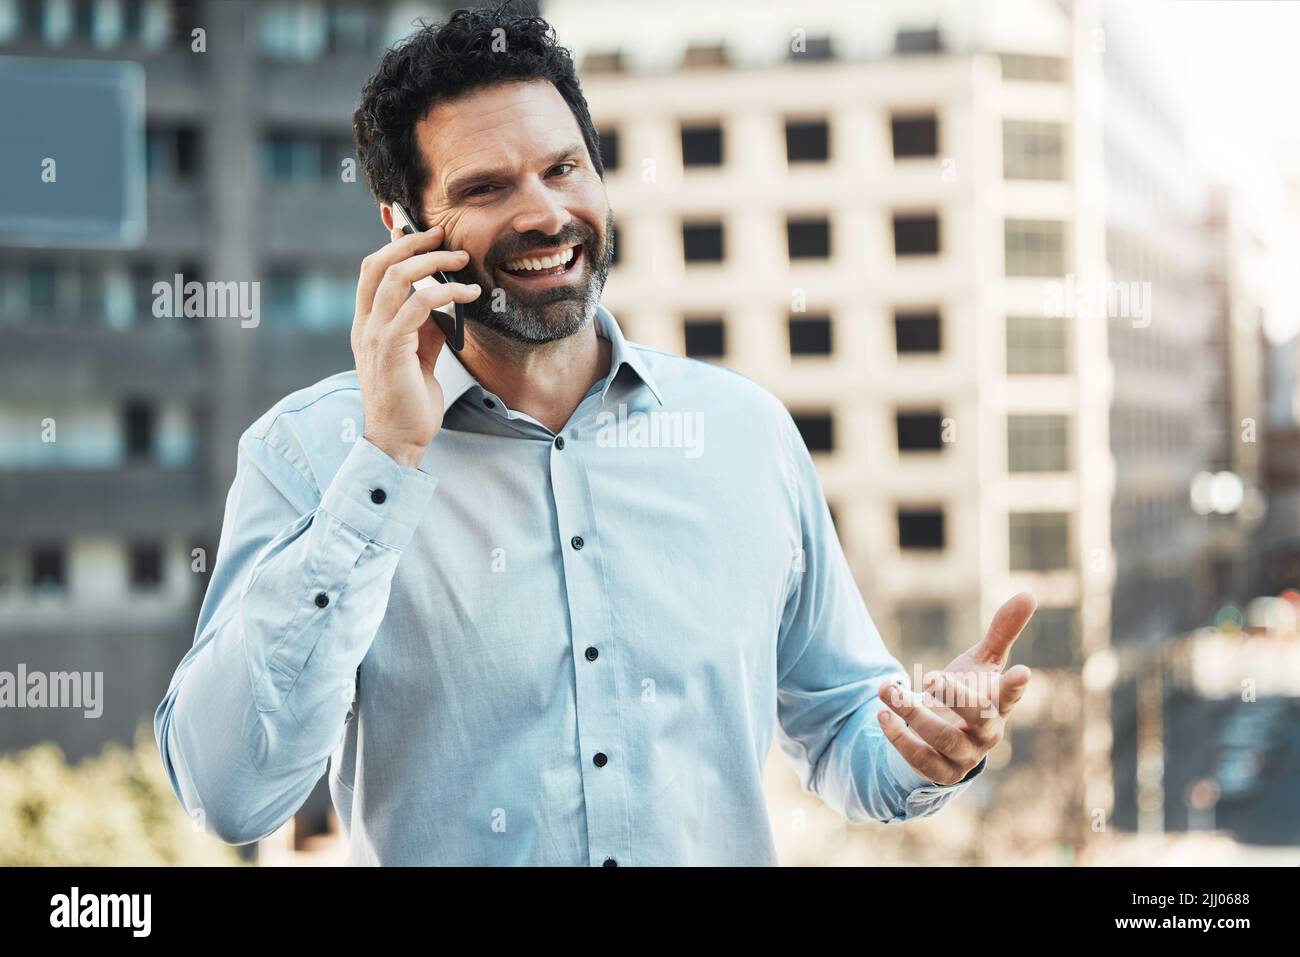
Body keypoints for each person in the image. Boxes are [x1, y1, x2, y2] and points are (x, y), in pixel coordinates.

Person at [154, 4, 1035, 866]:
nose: (543, 214)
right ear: (405, 230)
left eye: (563, 168)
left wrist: (925, 747)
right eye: (485, 189)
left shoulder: (743, 432)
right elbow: (230, 792)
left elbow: (843, 727)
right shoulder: (309, 455)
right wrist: (384, 462)